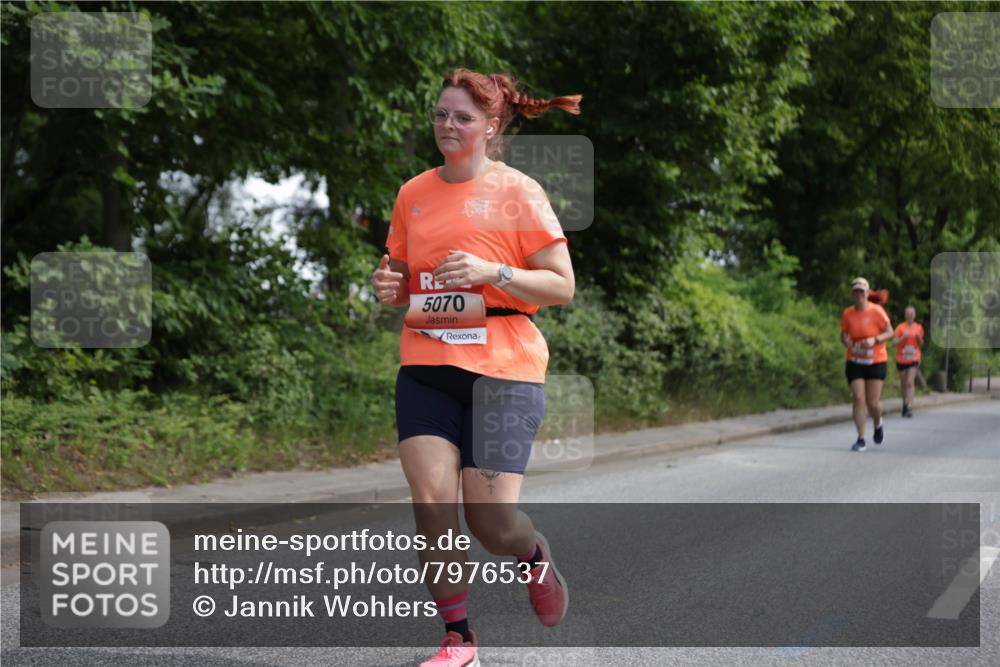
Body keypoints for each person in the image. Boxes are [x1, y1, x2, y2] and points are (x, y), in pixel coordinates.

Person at [371, 68, 580, 667]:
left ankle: (533, 556)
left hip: (504, 370)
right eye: (440, 115)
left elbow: (561, 286)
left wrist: (496, 273)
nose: (447, 126)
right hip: (428, 365)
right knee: (432, 504)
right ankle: (459, 638)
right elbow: (403, 278)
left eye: (462, 117)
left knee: (490, 523)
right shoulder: (413, 193)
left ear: (491, 127)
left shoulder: (519, 191)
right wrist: (389, 284)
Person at [840, 277, 894, 452]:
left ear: (867, 293)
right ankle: (861, 438)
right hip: (855, 359)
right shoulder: (848, 313)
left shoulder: (877, 311)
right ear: (852, 294)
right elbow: (843, 335)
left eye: (861, 292)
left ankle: (878, 423)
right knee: (858, 398)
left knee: (873, 402)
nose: (858, 295)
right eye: (855, 292)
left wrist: (875, 339)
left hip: (876, 359)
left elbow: (890, 332)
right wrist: (846, 341)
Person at [892, 305, 924, 418]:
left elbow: (921, 345)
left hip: (914, 358)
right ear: (905, 315)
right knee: (904, 383)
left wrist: (919, 339)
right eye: (908, 313)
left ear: (914, 315)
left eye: (912, 313)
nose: (910, 315)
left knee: (910, 382)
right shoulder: (900, 327)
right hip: (901, 358)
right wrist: (902, 338)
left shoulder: (919, 327)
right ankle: (904, 403)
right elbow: (893, 343)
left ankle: (909, 406)